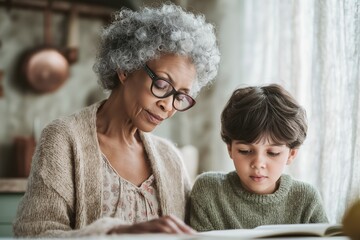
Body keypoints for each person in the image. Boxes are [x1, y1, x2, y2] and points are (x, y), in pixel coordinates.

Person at [13, 3, 220, 237]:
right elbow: (33, 234)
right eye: (162, 85)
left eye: (180, 96)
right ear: (125, 69)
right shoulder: (64, 139)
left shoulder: (171, 159)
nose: (168, 105)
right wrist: (116, 233)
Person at [189, 84, 328, 231]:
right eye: (245, 150)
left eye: (273, 153)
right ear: (230, 149)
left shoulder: (306, 199)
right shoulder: (209, 191)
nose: (258, 163)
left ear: (291, 154)